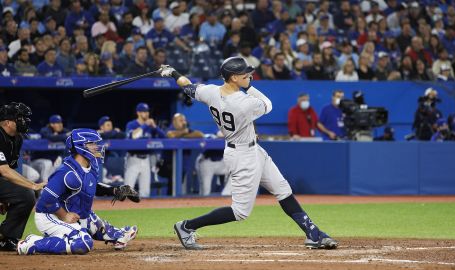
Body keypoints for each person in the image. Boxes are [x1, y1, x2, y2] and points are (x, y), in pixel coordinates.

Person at [158, 57, 338, 250]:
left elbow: (189, 87)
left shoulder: (211, 91)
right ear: (234, 77)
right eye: (245, 74)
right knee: (240, 212)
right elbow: (268, 104)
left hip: (252, 149)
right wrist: (250, 87)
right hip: (242, 155)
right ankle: (186, 226)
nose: (249, 76)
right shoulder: (243, 102)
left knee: (283, 190)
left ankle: (313, 234)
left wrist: (173, 73)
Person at [16, 129, 139, 255]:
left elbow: (89, 185)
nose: (97, 147)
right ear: (80, 147)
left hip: (71, 210)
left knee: (94, 223)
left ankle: (118, 235)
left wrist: (114, 190)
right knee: (83, 242)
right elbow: (46, 199)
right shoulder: (67, 172)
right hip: (49, 215)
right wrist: (64, 216)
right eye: (92, 143)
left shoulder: (90, 165)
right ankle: (32, 243)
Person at [0, 102, 45, 251]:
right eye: (20, 118)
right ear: (7, 122)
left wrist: (6, 198)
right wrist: (33, 184)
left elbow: (10, 171)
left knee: (25, 195)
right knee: (28, 191)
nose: (25, 121)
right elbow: (4, 171)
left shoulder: (17, 138)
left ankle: (5, 237)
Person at [125, 103, 165, 198]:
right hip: (133, 159)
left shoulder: (151, 126)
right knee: (127, 191)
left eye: (147, 111)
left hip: (146, 160)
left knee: (145, 192)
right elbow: (133, 136)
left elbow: (164, 137)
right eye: (143, 112)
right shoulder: (131, 124)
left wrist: (155, 127)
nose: (146, 114)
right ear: (138, 113)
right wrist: (145, 125)